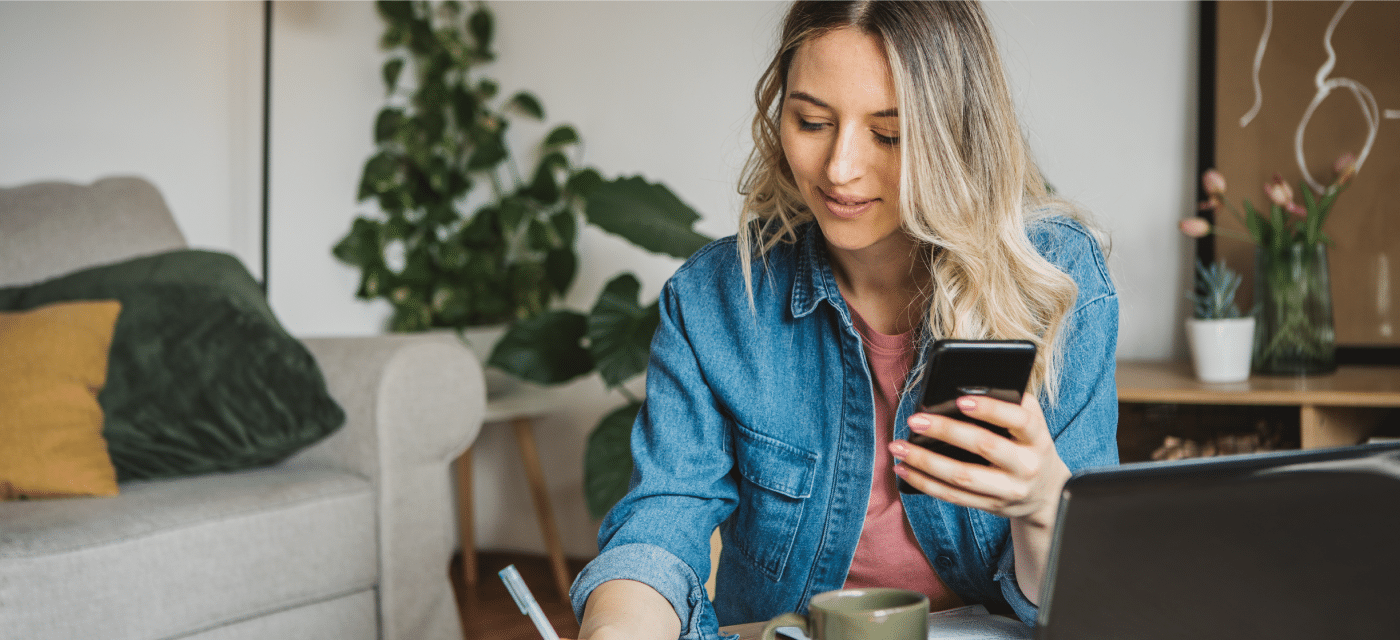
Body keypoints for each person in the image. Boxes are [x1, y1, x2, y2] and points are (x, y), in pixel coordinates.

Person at [568, 2, 1118, 639]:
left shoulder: (1055, 279)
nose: (839, 169)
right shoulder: (717, 299)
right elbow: (662, 521)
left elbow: (1092, 607)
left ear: (960, 136)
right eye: (811, 121)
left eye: (890, 134)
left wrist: (1043, 504)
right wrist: (616, 627)